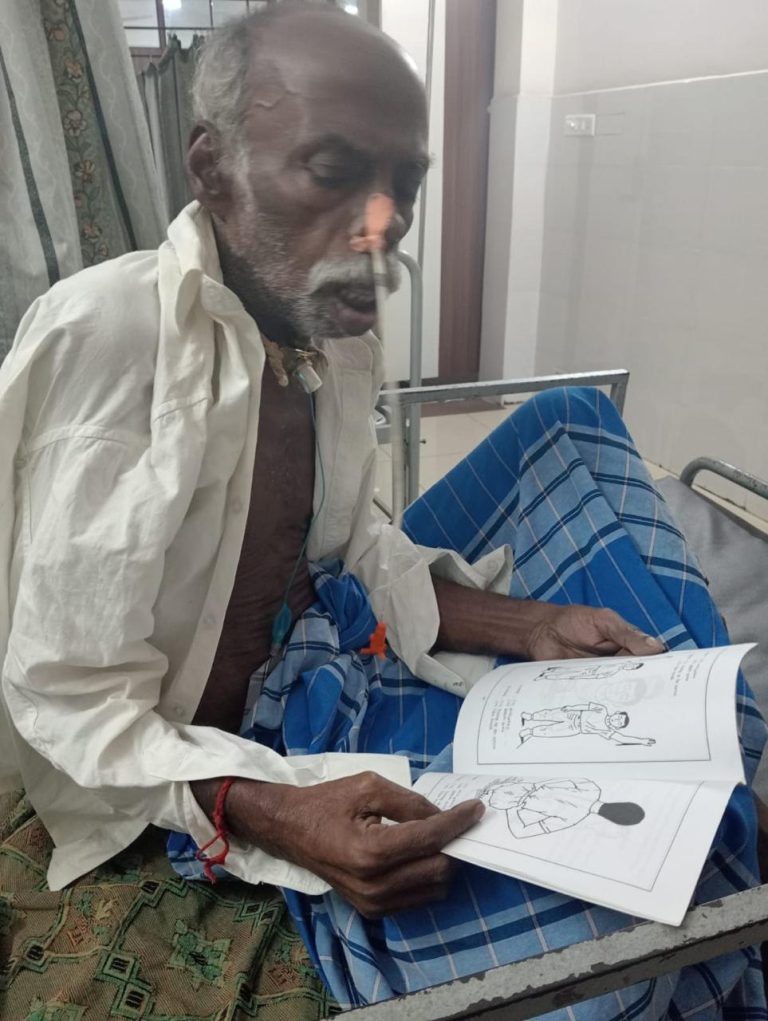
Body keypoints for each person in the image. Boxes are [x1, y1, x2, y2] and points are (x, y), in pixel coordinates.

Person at [0, 4, 764, 1020]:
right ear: (214, 167)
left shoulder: (332, 331)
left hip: (310, 669)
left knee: (576, 432)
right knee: (615, 951)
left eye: (405, 183)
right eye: (332, 171)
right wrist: (273, 810)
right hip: (184, 761)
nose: (381, 225)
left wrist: (526, 623)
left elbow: (346, 542)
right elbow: (62, 698)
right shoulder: (111, 341)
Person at [483, 778, 645, 838]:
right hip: (511, 790)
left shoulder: (592, 788)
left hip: (506, 795)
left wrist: (511, 807)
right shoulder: (574, 818)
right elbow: (520, 833)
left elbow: (520, 833)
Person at [519, 704, 655, 745]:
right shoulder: (602, 709)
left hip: (575, 728)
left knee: (551, 731)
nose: (616, 721)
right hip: (574, 715)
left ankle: (530, 732)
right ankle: (530, 717)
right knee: (549, 714)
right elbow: (586, 706)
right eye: (618, 718)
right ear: (617, 713)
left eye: (619, 723)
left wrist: (642, 741)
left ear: (617, 727)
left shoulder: (606, 730)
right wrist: (572, 708)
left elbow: (621, 738)